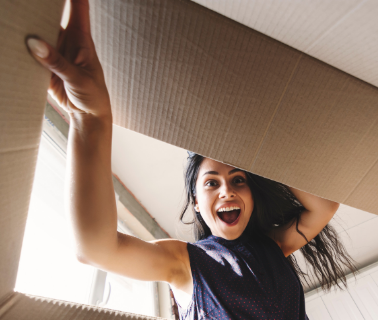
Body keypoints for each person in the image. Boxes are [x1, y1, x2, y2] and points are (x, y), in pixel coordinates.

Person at [26, 0, 356, 318]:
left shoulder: (274, 246)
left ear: (253, 196)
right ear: (197, 202)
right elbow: (95, 249)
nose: (227, 190)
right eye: (212, 183)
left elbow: (324, 206)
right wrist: (90, 117)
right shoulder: (183, 262)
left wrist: (260, 143)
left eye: (239, 179)